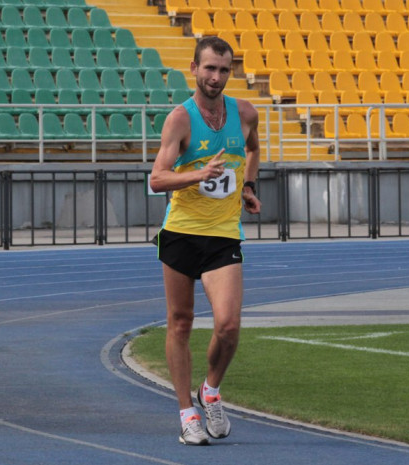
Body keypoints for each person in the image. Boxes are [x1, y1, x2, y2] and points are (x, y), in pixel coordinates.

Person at [149, 36, 261, 446]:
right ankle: (186, 413)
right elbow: (156, 178)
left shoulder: (245, 113)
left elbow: (253, 149)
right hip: (181, 232)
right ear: (194, 69)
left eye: (224, 70)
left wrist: (248, 185)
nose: (216, 77)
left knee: (228, 326)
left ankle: (210, 390)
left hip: (223, 235)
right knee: (180, 323)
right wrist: (197, 174)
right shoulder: (180, 119)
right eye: (209, 68)